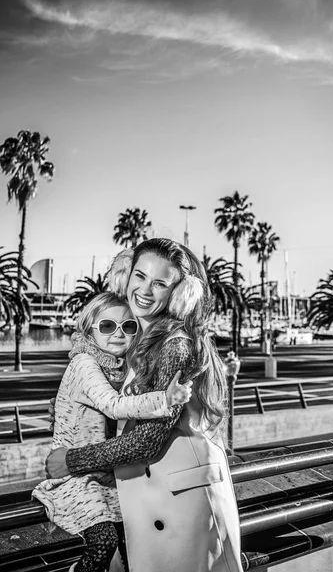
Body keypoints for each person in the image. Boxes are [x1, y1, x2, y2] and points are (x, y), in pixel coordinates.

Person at [46, 238, 243, 572]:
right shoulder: (137, 337)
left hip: (182, 502)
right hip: (154, 496)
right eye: (139, 276)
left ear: (180, 293)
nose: (145, 290)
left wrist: (71, 460)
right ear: (126, 275)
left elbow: (147, 439)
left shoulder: (174, 345)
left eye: (160, 283)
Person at [34, 292, 192, 572]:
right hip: (75, 476)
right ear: (88, 329)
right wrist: (164, 399)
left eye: (128, 326)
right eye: (107, 326)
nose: (118, 333)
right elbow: (114, 406)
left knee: (131, 544)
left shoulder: (119, 367)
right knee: (104, 542)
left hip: (103, 472)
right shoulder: (85, 363)